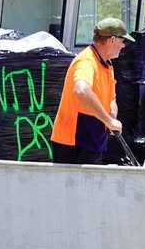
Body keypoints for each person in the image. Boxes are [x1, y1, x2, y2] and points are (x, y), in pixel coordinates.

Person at [49, 17, 134, 164]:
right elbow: (81, 91)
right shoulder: (86, 61)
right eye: (123, 41)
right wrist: (108, 120)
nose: (123, 46)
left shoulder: (107, 64)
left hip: (93, 141)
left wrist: (111, 118)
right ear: (112, 40)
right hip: (74, 143)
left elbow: (111, 99)